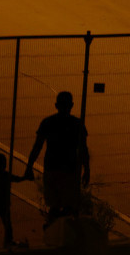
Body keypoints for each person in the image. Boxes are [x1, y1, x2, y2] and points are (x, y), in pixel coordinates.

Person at [23, 91, 90, 222]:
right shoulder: (77, 124)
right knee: (69, 207)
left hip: (52, 168)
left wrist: (29, 166)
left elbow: (37, 146)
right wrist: (86, 169)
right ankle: (63, 232)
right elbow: (83, 149)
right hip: (70, 170)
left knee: (54, 206)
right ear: (72, 105)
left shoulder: (48, 122)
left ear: (56, 105)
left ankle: (53, 229)